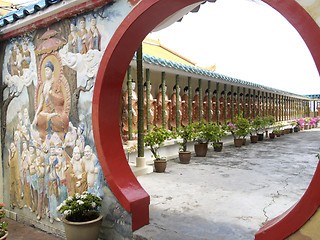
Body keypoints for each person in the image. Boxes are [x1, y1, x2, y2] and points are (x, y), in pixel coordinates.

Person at [33, 61, 69, 143]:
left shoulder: (56, 83)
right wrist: (35, 116)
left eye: (48, 70)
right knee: (39, 118)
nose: (46, 72)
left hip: (57, 112)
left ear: (52, 72)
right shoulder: (44, 85)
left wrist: (51, 94)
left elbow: (61, 100)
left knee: (61, 119)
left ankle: (50, 119)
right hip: (47, 112)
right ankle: (48, 118)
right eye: (45, 70)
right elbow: (41, 103)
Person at [8, 142, 23, 209]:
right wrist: (9, 154)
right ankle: (13, 202)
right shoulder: (11, 154)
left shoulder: (17, 154)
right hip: (12, 176)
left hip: (17, 175)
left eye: (13, 147)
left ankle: (19, 203)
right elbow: (9, 164)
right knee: (12, 189)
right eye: (11, 147)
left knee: (18, 189)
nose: (12, 149)